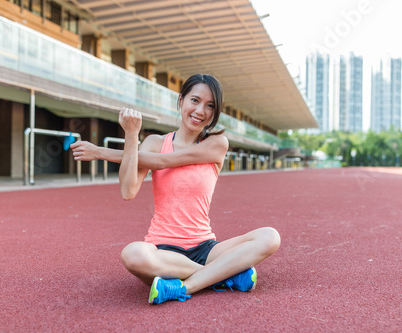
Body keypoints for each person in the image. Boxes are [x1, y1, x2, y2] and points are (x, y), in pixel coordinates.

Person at [70, 74, 280, 304]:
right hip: (162, 251)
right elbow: (127, 191)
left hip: (206, 248)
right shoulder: (154, 143)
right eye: (195, 100)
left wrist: (102, 152)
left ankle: (185, 286)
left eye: (210, 106)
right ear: (181, 100)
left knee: (270, 236)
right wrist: (131, 135)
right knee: (133, 254)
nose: (201, 110)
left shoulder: (216, 144)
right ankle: (222, 275)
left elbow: (163, 161)